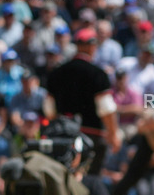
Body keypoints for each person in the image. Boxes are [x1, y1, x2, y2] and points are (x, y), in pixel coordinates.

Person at [46, 27, 120, 174]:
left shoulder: (56, 73)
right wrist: (113, 135)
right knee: (89, 182)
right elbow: (106, 110)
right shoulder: (98, 74)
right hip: (92, 137)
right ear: (91, 46)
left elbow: (49, 110)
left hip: (62, 136)